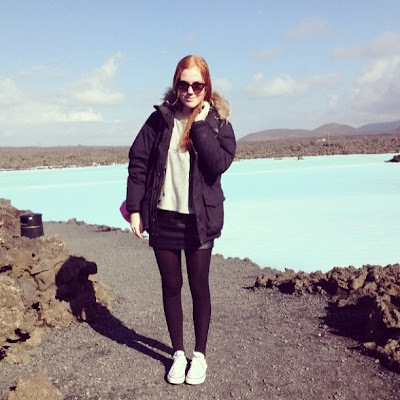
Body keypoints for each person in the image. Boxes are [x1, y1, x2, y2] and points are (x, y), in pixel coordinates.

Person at [125, 55, 236, 385]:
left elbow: (217, 164)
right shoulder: (159, 119)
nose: (189, 90)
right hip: (163, 218)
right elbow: (138, 162)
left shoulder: (217, 122)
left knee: (199, 286)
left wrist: (199, 126)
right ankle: (177, 353)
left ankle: (199, 356)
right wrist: (135, 209)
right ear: (175, 84)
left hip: (200, 220)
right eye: (183, 84)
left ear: (206, 87)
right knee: (171, 286)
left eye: (197, 85)